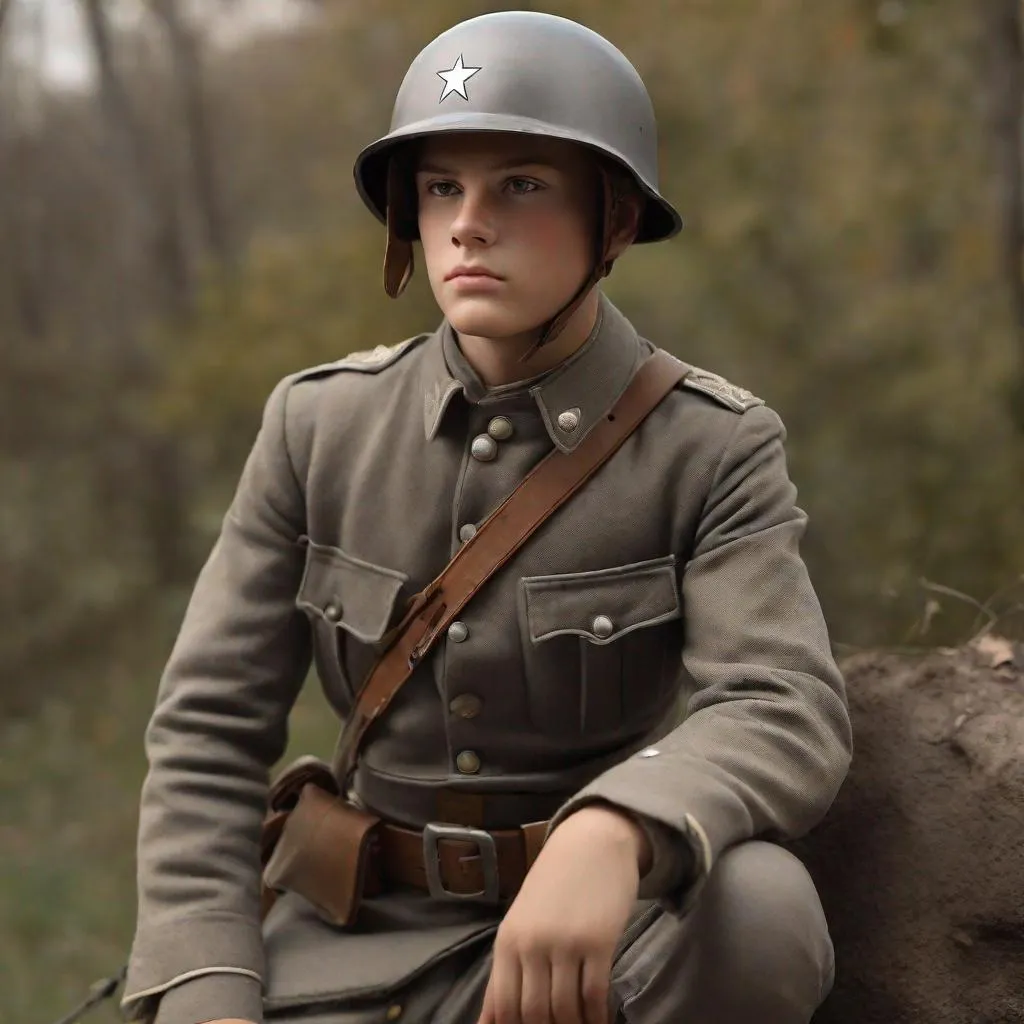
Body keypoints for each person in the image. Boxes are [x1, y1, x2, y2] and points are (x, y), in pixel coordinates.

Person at [119, 11, 852, 1024]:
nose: (467, 223)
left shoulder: (709, 447)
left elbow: (781, 701)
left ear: (616, 220)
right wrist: (203, 981)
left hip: (605, 948)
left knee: (763, 906)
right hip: (349, 951)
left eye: (519, 184)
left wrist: (617, 827)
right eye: (439, 188)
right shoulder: (318, 425)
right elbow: (208, 731)